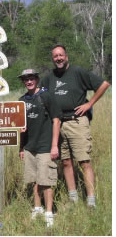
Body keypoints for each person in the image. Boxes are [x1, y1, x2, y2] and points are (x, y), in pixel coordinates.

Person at [41, 44, 110, 207]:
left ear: (66, 56)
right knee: (65, 161)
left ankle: (91, 200)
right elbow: (40, 95)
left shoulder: (78, 72)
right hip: (58, 124)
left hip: (77, 122)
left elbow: (104, 84)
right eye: (55, 56)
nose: (58, 58)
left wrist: (89, 103)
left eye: (61, 55)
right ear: (53, 59)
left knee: (84, 161)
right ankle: (73, 198)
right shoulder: (49, 77)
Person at [18, 69, 62, 227]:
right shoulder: (21, 100)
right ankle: (37, 208)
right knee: (35, 180)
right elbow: (21, 127)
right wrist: (21, 148)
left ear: (36, 79)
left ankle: (49, 213)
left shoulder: (46, 96)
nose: (28, 82)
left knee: (46, 181)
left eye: (31, 78)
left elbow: (56, 121)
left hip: (45, 146)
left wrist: (54, 146)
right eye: (25, 79)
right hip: (30, 147)